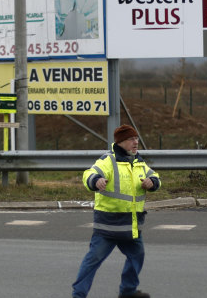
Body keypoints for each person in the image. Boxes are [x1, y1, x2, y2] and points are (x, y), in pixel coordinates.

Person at [72, 124, 161, 298]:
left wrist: (152, 182)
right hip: (108, 226)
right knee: (92, 261)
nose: (136, 142)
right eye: (131, 139)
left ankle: (128, 292)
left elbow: (155, 177)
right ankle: (78, 295)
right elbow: (89, 173)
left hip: (131, 227)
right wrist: (95, 180)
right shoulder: (108, 160)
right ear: (120, 142)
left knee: (137, 257)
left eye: (136, 138)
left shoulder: (139, 162)